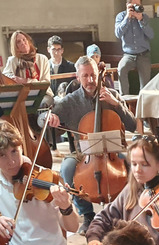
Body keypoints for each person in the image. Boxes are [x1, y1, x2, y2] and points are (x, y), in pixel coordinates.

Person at [42, 56, 137, 234]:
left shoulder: (112, 95)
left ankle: (125, 211)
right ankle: (87, 215)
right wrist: (49, 117)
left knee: (133, 167)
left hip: (112, 150)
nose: (90, 80)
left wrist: (116, 104)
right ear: (78, 77)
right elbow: (43, 120)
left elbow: (133, 125)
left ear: (98, 75)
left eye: (93, 75)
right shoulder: (70, 101)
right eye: (85, 76)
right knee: (67, 168)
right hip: (83, 153)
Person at [115, 0, 154, 95]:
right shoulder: (121, 16)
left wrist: (141, 20)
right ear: (127, 5)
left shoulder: (144, 17)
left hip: (143, 54)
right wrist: (127, 18)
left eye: (138, 5)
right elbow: (118, 34)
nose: (136, 7)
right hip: (128, 55)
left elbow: (151, 35)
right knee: (121, 69)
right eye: (134, 5)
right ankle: (124, 98)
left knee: (145, 84)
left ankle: (143, 100)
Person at [4, 31, 52, 104]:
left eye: (24, 39)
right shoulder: (13, 60)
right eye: (18, 42)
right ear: (15, 47)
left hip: (43, 93)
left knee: (43, 103)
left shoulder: (42, 58)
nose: (23, 43)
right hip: (22, 95)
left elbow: (46, 83)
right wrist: (14, 79)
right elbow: (5, 76)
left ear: (29, 41)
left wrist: (26, 81)